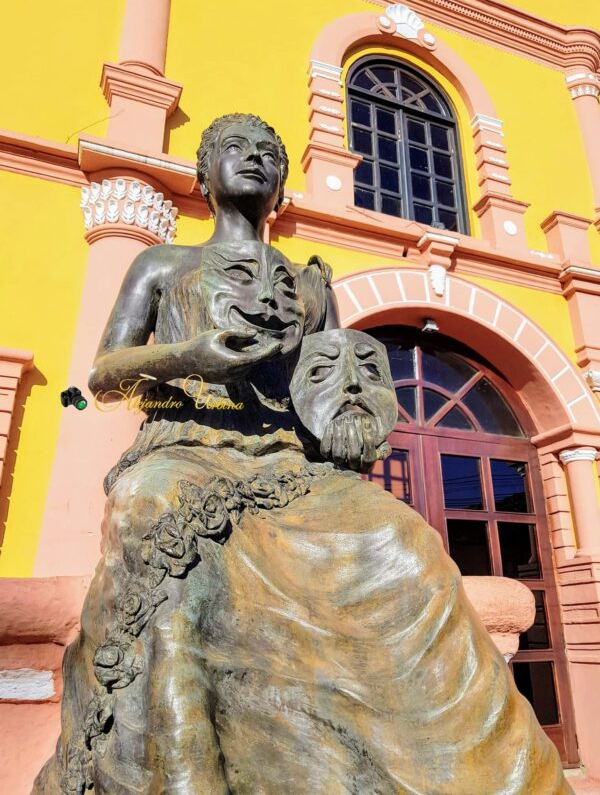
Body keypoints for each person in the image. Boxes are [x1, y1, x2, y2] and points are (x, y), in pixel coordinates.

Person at [33, 115, 572, 794]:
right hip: (186, 446)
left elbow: (334, 382)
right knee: (155, 506)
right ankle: (178, 766)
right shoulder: (163, 264)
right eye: (235, 148)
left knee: (399, 533)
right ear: (203, 175)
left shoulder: (311, 286)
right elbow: (106, 374)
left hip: (288, 462)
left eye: (268, 153)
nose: (254, 158)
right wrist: (189, 356)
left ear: (282, 186)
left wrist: (351, 422)